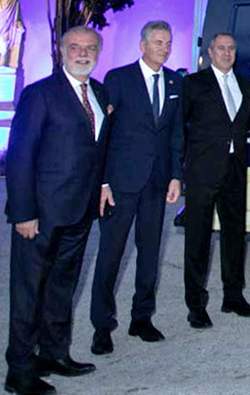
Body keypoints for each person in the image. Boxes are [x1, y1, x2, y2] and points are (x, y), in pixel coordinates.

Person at [3, 26, 110, 395]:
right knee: (28, 292)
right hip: (41, 214)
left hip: (80, 211)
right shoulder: (40, 94)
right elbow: (20, 155)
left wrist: (102, 186)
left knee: (62, 287)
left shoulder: (99, 93)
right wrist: (23, 212)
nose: (83, 53)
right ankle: (19, 370)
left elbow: (97, 149)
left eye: (90, 47)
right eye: (75, 47)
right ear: (63, 51)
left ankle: (54, 354)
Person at [89, 21, 183, 355]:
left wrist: (176, 176)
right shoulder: (118, 79)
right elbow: (104, 132)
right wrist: (103, 180)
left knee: (150, 254)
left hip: (157, 184)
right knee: (110, 255)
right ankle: (102, 325)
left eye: (168, 43)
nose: (164, 48)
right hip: (121, 183)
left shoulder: (175, 82)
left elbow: (176, 134)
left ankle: (141, 318)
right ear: (142, 45)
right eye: (157, 42)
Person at [182, 32, 250, 328]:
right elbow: (180, 127)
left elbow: (240, 126)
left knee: (235, 235)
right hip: (202, 171)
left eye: (231, 49)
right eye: (221, 48)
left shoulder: (245, 84)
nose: (227, 53)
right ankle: (196, 305)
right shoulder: (193, 84)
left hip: (234, 171)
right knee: (198, 238)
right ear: (210, 52)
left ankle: (233, 296)